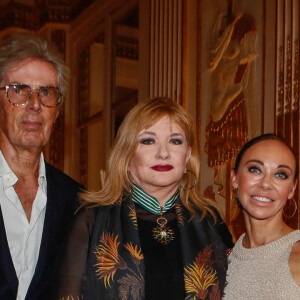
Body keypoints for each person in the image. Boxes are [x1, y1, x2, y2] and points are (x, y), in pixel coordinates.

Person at [58, 97, 233, 300]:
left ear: (187, 156)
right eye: (148, 140)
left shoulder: (209, 220)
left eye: (175, 141)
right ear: (127, 155)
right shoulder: (92, 219)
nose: (163, 153)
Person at [0, 33, 82, 300]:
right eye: (19, 90)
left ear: (56, 112)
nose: (34, 104)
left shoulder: (78, 202)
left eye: (46, 93)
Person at [224, 133, 300, 299]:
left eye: (280, 174)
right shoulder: (221, 262)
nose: (266, 184)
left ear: (292, 189)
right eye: (255, 170)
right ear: (234, 178)